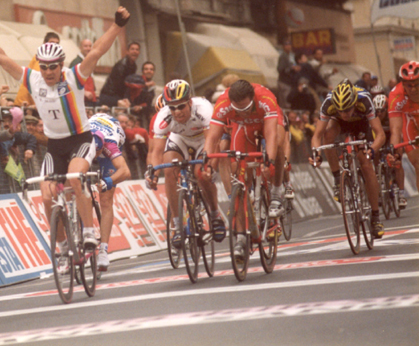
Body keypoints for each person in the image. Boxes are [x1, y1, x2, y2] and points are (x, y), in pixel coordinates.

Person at [0, 6, 130, 254]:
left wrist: (117, 25)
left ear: (61, 64)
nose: (48, 72)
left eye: (53, 67)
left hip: (81, 139)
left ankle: (88, 231)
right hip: (55, 144)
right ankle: (61, 244)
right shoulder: (33, 79)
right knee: (48, 194)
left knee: (74, 177)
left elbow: (96, 51)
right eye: (44, 66)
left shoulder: (75, 77)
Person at [203, 80, 288, 261]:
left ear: (252, 99)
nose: (241, 110)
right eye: (237, 108)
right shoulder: (223, 103)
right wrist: (208, 164)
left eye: (245, 107)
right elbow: (212, 138)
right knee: (237, 174)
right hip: (243, 126)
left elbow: (271, 134)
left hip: (266, 121)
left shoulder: (265, 98)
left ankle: (276, 191)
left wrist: (268, 161)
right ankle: (241, 237)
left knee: (278, 144)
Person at [146, 79, 226, 249]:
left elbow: (213, 142)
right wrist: (153, 172)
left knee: (202, 174)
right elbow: (156, 152)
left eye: (181, 106)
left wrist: (210, 167)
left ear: (190, 102)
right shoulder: (163, 117)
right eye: (172, 107)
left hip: (203, 140)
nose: (177, 112)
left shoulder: (204, 109)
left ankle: (214, 215)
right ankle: (177, 225)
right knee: (169, 170)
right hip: (179, 139)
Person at [309, 80, 385, 238]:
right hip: (338, 124)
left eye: (348, 109)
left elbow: (380, 134)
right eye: (340, 110)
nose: (345, 113)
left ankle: (376, 218)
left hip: (361, 124)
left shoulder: (364, 99)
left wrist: (371, 150)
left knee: (365, 164)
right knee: (327, 136)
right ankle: (337, 178)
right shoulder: (328, 103)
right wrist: (316, 154)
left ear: (354, 103)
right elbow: (316, 136)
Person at [89, 113, 131, 272]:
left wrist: (108, 181)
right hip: (88, 137)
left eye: (97, 152)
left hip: (111, 133)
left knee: (105, 199)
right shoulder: (79, 137)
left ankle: (103, 251)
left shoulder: (109, 144)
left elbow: (126, 172)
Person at [386, 62, 419, 209]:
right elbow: (395, 130)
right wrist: (395, 153)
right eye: (409, 85)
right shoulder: (396, 95)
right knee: (418, 163)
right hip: (410, 120)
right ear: (402, 83)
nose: (413, 89)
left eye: (416, 84)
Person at [14, 32, 61, 107]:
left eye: (57, 43)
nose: (54, 46)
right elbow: (39, 81)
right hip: (26, 103)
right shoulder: (41, 58)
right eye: (51, 43)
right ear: (44, 43)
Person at [99, 42, 141, 108]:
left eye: (137, 49)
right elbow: (120, 85)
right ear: (127, 52)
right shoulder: (121, 65)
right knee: (128, 106)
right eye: (132, 49)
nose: (135, 51)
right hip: (109, 95)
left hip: (119, 96)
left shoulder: (134, 66)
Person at [70, 39, 98, 107]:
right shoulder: (76, 63)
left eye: (90, 46)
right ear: (80, 47)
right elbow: (71, 82)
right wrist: (84, 92)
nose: (88, 48)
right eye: (85, 46)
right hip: (81, 100)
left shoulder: (88, 61)